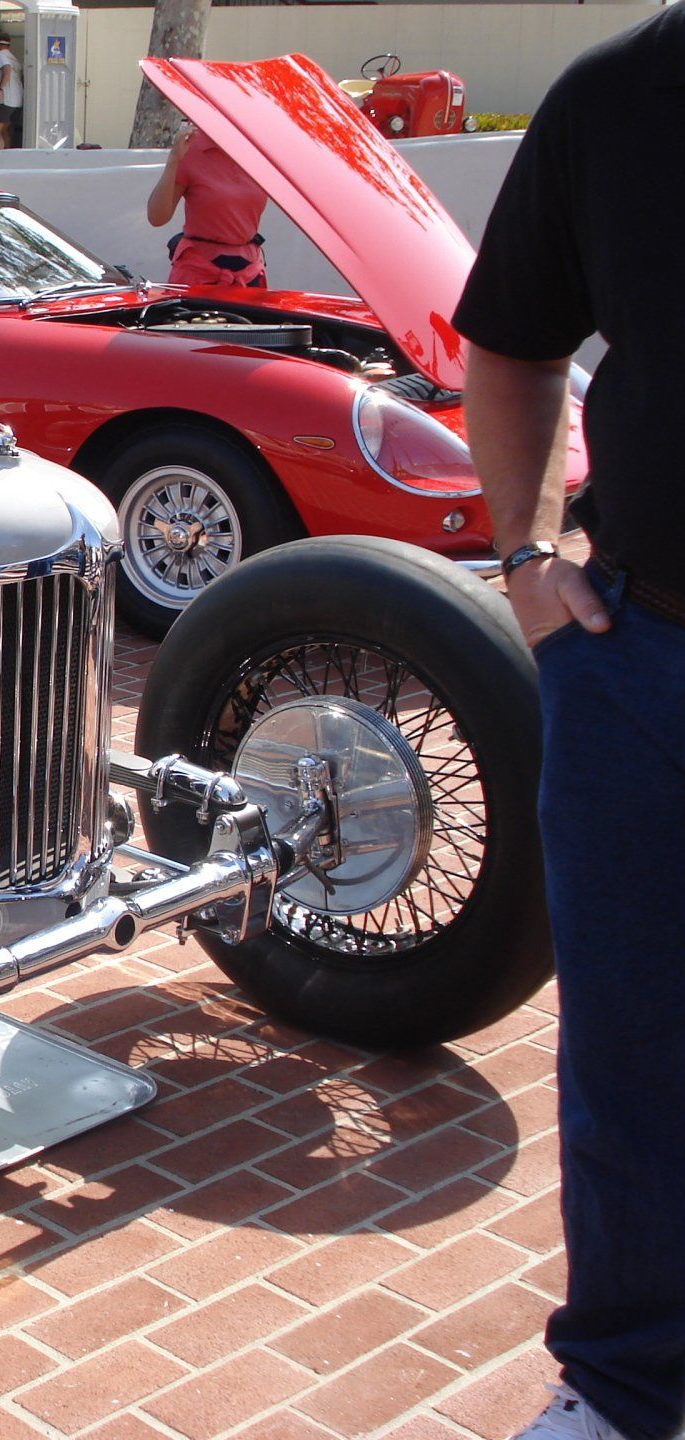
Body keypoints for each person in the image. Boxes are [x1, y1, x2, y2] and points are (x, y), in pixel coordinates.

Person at [454, 9, 685, 1440]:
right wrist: (528, 563)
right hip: (644, 665)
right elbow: (511, 341)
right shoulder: (620, 96)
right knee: (631, 1062)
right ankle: (624, 1384)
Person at [146, 123, 268, 288]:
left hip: (248, 271)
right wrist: (174, 159)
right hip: (200, 272)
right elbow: (157, 217)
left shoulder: (256, 152)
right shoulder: (191, 148)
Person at [0, 35, 23, 152]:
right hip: (17, 100)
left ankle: (0, 158)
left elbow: (7, 70)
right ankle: (7, 158)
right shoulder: (12, 57)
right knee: (5, 130)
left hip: (4, 99)